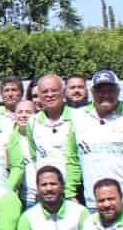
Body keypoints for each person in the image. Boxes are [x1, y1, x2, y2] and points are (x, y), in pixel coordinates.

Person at [69, 70, 123, 216]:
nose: (105, 94)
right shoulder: (77, 117)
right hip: (93, 202)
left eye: (110, 90)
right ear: (92, 91)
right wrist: (70, 193)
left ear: (118, 91)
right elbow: (72, 160)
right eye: (100, 90)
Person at [20, 75, 80, 204]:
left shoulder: (78, 118)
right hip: (46, 192)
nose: (49, 95)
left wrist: (71, 192)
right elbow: (34, 157)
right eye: (45, 92)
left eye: (54, 90)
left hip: (73, 192)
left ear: (63, 93)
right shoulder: (32, 122)